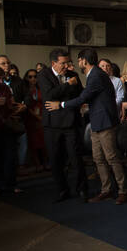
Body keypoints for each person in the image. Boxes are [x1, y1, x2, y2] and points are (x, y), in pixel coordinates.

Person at [45, 48, 127, 205]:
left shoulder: (96, 75)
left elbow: (83, 97)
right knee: (98, 158)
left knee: (111, 157)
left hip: (105, 122)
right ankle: (106, 190)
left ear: (84, 60)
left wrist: (61, 104)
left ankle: (123, 190)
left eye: (78, 60)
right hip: (97, 122)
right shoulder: (93, 74)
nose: (76, 64)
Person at [37, 49, 87, 202]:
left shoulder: (73, 75)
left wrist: (63, 99)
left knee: (76, 158)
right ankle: (62, 190)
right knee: (55, 159)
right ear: (53, 63)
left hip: (71, 122)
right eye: (63, 63)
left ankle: (82, 189)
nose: (66, 66)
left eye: (68, 62)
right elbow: (48, 95)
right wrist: (67, 85)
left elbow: (80, 95)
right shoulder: (44, 75)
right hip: (52, 125)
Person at [0, 67, 25, 195]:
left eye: (1, 79)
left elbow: (10, 104)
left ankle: (11, 184)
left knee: (10, 156)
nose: (0, 81)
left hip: (7, 126)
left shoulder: (5, 88)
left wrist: (17, 107)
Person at [23, 69, 48, 172]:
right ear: (26, 78)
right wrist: (36, 116)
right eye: (30, 77)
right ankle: (37, 164)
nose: (33, 79)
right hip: (31, 117)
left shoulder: (40, 88)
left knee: (43, 141)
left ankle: (46, 163)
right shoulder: (25, 90)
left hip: (42, 115)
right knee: (33, 142)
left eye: (35, 76)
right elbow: (27, 106)